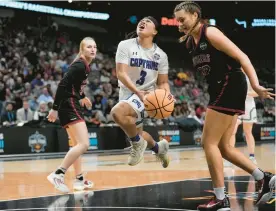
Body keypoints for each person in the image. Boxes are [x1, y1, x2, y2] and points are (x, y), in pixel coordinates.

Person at [173, 2, 275, 210]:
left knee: (207, 142)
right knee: (224, 147)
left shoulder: (210, 32)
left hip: (230, 84)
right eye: (177, 21)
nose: (179, 24)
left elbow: (242, 57)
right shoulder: (190, 43)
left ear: (195, 15)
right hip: (221, 87)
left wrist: (255, 84)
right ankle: (263, 178)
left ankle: (220, 198)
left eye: (182, 19)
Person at [111, 16, 170, 167]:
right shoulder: (125, 45)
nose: (143, 22)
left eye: (148, 21)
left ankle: (137, 145)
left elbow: (162, 82)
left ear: (155, 31)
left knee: (117, 113)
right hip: (128, 93)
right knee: (137, 133)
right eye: (141, 20)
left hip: (147, 96)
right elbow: (121, 74)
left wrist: (167, 96)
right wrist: (136, 92)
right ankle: (159, 148)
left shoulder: (161, 55)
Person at [47, 37, 96, 193]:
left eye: (94, 47)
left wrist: (82, 97)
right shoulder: (80, 65)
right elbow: (63, 85)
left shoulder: (85, 66)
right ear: (82, 50)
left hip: (71, 104)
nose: (93, 49)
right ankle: (58, 174)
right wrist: (54, 108)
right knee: (84, 144)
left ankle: (79, 180)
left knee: (77, 146)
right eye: (89, 47)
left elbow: (74, 86)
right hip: (68, 105)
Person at [230, 75, 259, 164]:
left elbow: (257, 93)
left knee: (247, 132)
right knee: (232, 131)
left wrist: (245, 93)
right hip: (236, 105)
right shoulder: (232, 74)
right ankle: (230, 157)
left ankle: (252, 156)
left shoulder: (251, 75)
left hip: (248, 106)